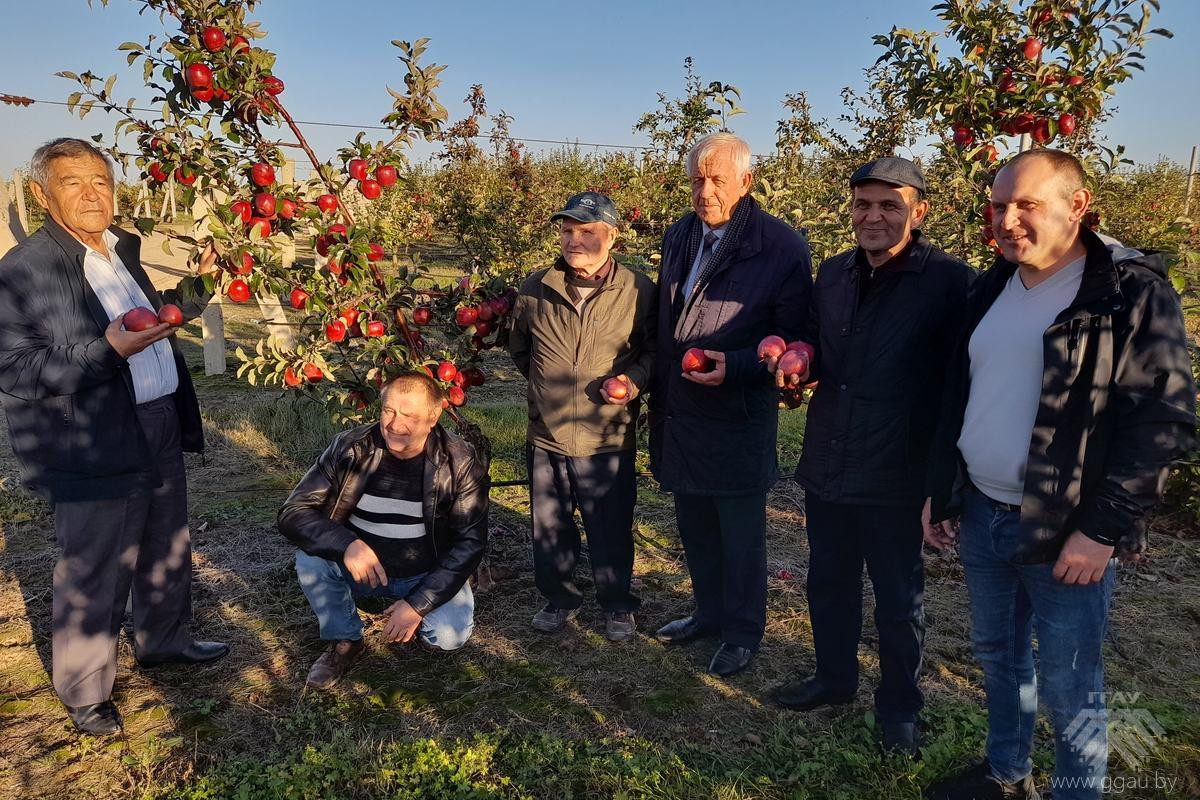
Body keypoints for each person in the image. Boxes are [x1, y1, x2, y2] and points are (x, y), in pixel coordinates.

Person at [922, 149, 1196, 800]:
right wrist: (942, 492)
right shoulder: (993, 284)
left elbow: (1161, 422)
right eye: (997, 206)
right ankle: (1007, 774)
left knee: (1072, 686)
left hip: (1067, 528)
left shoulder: (1129, 291)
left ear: (1077, 206)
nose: (1006, 220)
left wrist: (1100, 531)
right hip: (986, 512)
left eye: (1026, 204)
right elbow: (960, 395)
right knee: (998, 656)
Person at [0, 137, 226, 736]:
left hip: (155, 417)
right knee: (95, 564)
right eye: (73, 182)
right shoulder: (24, 271)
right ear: (43, 194)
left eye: (100, 180)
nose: (91, 193)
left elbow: (155, 318)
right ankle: (85, 690)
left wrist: (199, 290)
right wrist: (104, 353)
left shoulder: (121, 249)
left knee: (165, 540)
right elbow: (16, 368)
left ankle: (165, 640)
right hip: (90, 438)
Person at [767, 157, 972, 756]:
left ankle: (900, 707)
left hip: (898, 469)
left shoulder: (949, 283)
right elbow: (814, 342)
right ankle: (834, 679)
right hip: (829, 457)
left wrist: (943, 481)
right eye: (864, 204)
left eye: (890, 204)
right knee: (827, 581)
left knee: (898, 599)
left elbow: (957, 386)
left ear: (919, 209)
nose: (874, 216)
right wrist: (798, 357)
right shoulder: (832, 275)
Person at [649, 132, 813, 677]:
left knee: (740, 533)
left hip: (736, 412)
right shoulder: (679, 235)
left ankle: (743, 631)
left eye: (718, 179)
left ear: (746, 181)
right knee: (694, 521)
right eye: (698, 178)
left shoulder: (781, 247)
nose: (706, 189)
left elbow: (792, 334)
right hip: (683, 408)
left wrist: (740, 365)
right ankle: (708, 613)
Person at [508, 192, 657, 641]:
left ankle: (616, 604)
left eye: (587, 231)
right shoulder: (537, 287)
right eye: (567, 230)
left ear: (611, 236)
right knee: (550, 525)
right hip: (548, 433)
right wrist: (542, 393)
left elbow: (653, 351)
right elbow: (520, 349)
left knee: (610, 526)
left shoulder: (638, 289)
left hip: (606, 436)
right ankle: (559, 597)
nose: (574, 240)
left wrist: (632, 382)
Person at [279, 372, 488, 689]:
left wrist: (418, 604)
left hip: (425, 572)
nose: (394, 424)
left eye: (409, 416)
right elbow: (293, 512)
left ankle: (412, 617)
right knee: (311, 562)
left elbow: (470, 544)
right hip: (361, 571)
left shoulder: (458, 462)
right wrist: (347, 545)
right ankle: (345, 640)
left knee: (448, 637)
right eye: (388, 411)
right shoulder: (350, 448)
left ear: (433, 418)